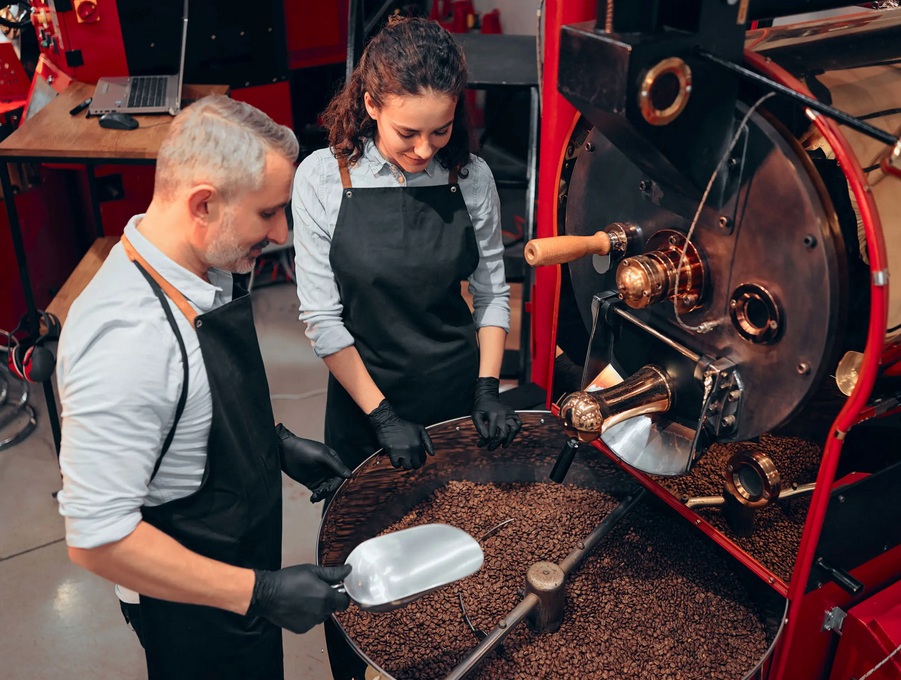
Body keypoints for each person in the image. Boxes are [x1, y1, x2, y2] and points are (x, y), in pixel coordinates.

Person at [56, 95, 353, 680]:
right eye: (268, 213)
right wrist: (261, 592)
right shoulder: (128, 339)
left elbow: (189, 408)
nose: (281, 231)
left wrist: (273, 444)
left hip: (237, 570)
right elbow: (96, 538)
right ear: (203, 204)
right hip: (191, 611)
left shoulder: (199, 269)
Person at [293, 16, 523, 479]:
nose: (424, 151)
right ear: (371, 105)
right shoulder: (323, 177)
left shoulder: (471, 177)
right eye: (408, 133)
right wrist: (382, 417)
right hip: (365, 397)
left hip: (456, 390)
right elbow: (322, 319)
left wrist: (487, 388)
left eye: (441, 131)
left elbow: (492, 295)